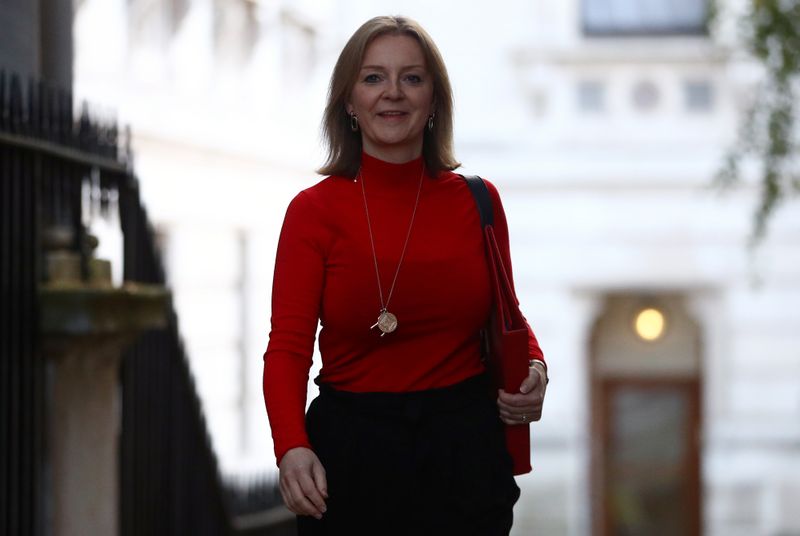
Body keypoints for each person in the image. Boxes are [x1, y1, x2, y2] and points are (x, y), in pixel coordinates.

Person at [263, 15, 547, 535]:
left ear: (434, 100)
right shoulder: (312, 211)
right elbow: (287, 346)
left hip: (463, 454)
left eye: (412, 78)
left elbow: (507, 313)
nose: (392, 93)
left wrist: (535, 367)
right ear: (348, 101)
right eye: (373, 78)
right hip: (352, 457)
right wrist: (291, 446)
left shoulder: (478, 201)